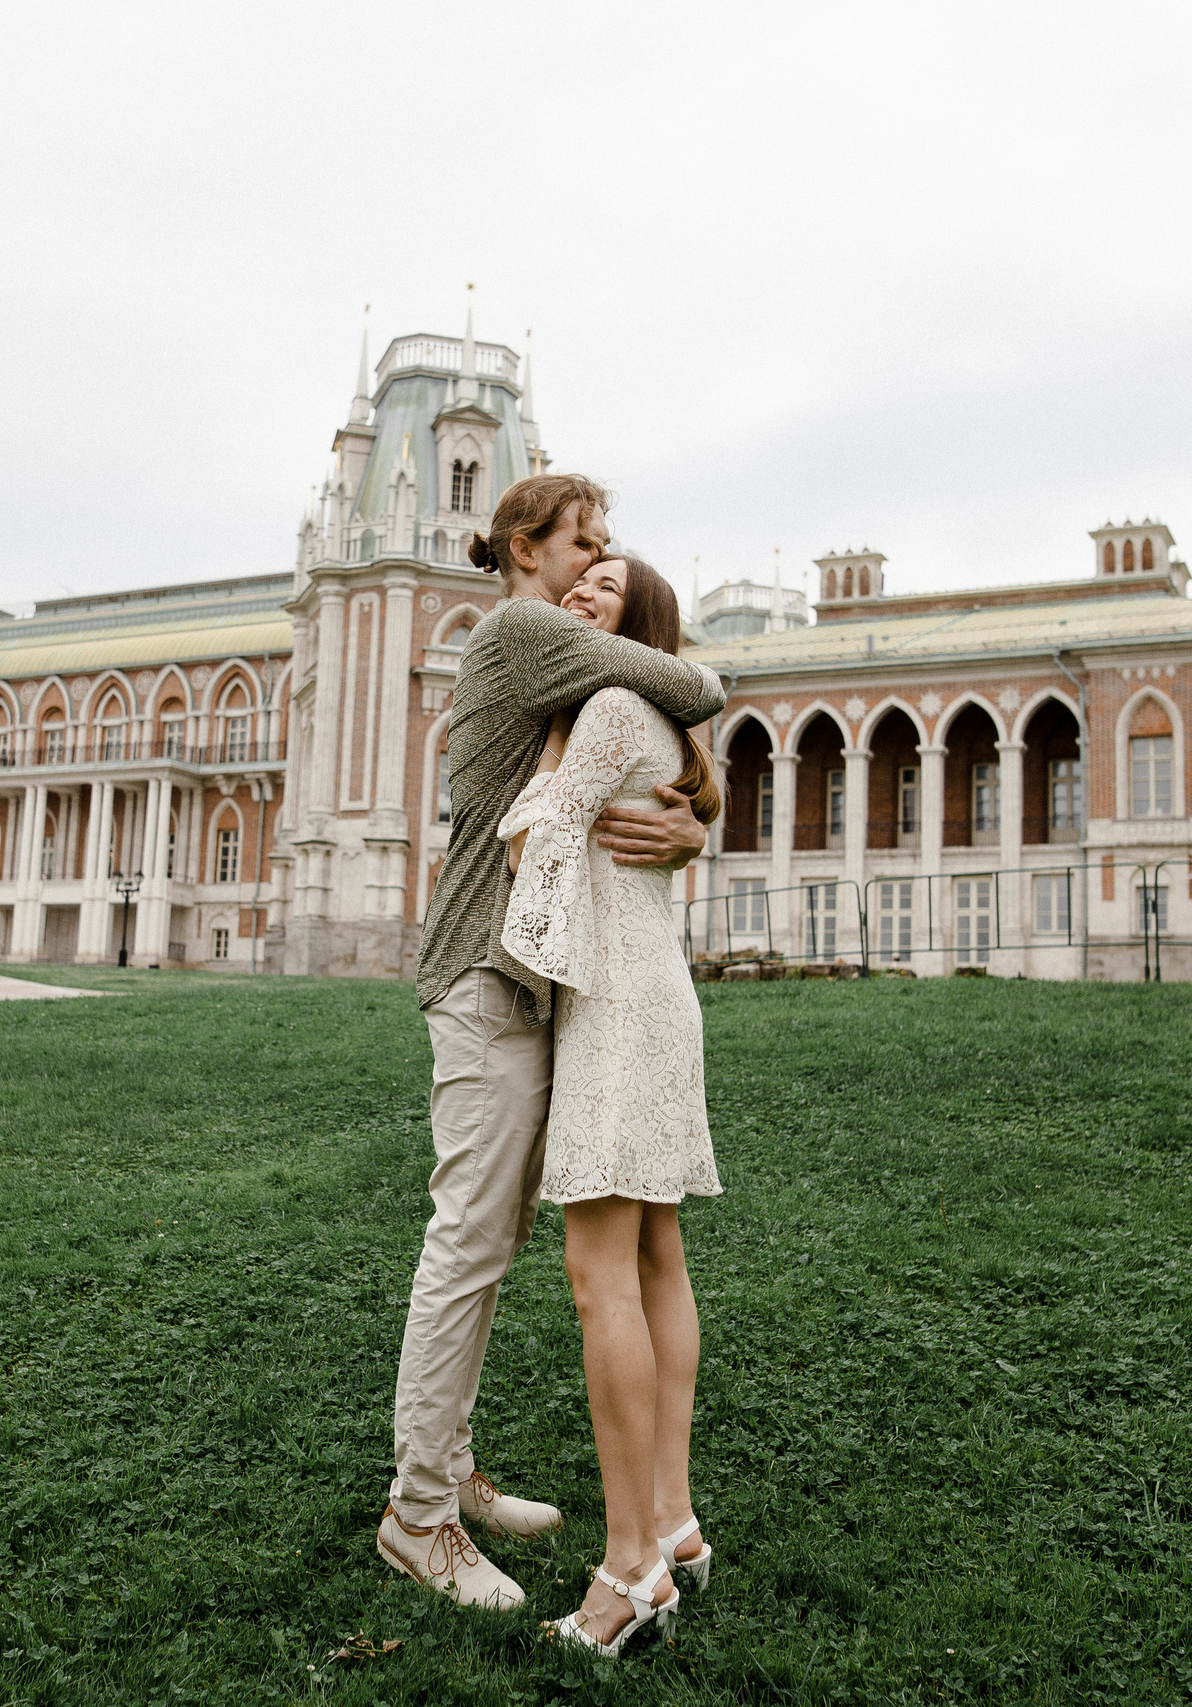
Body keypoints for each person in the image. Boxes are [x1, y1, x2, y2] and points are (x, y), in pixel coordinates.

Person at [377, 475, 725, 1611]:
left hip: (538, 982)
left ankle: (451, 1467)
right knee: (469, 1243)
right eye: (585, 543)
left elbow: (629, 759)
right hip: (486, 977)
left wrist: (685, 826)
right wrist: (694, 813)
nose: (597, 561)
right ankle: (418, 1516)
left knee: (493, 1242)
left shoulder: (558, 652)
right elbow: (691, 681)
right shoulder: (523, 625)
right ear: (528, 548)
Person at [496, 555, 721, 1656]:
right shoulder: (655, 715)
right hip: (654, 994)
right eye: (575, 581)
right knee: (652, 1259)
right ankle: (671, 1522)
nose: (581, 593)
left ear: (639, 622)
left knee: (600, 1280)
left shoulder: (613, 705)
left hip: (615, 1008)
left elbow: (535, 844)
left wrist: (546, 754)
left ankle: (629, 1567)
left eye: (604, 589)